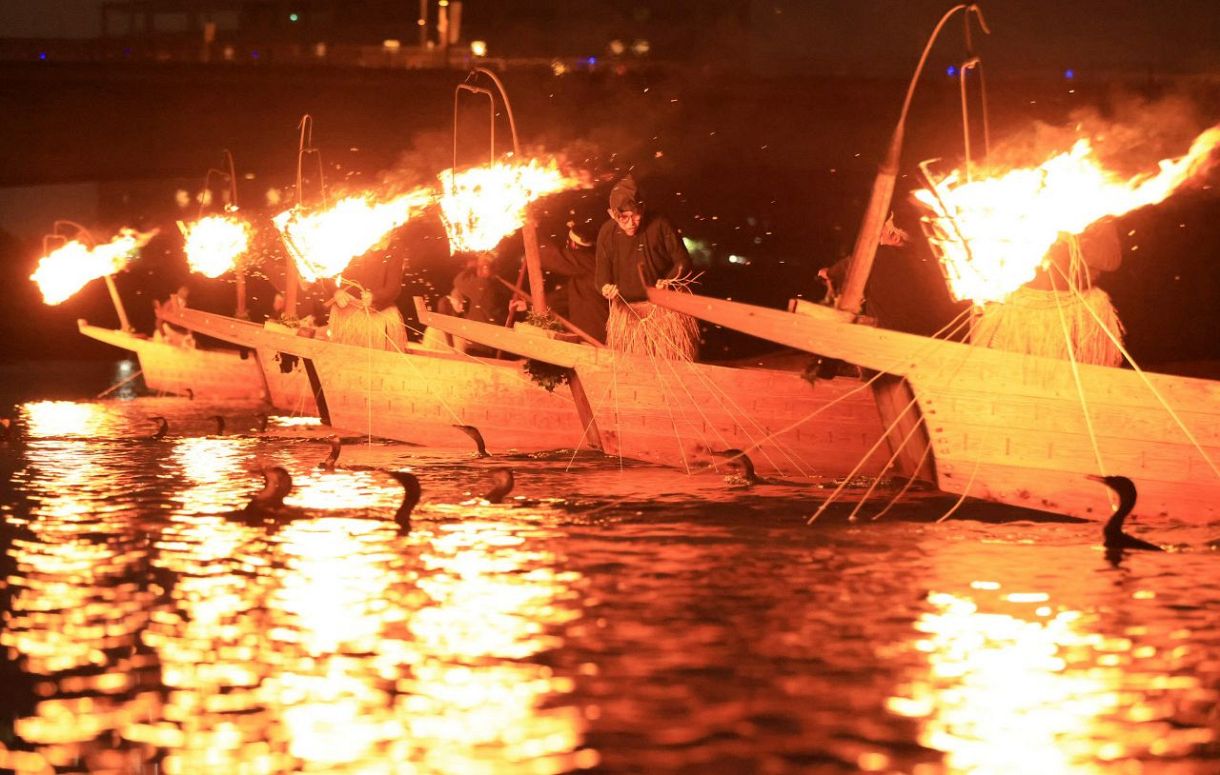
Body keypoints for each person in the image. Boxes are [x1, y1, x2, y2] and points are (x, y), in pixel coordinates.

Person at [969, 217, 1125, 366]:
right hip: (1013, 307)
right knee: (996, 375)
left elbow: (1111, 259)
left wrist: (1075, 241)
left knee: (1075, 384)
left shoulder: (1098, 203)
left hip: (1074, 312)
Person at [594, 174, 699, 360]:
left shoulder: (660, 224)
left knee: (671, 368)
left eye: (635, 216)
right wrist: (605, 288)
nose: (631, 223)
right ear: (611, 214)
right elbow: (601, 276)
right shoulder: (607, 232)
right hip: (627, 316)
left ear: (642, 208)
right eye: (623, 218)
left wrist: (670, 281)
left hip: (664, 315)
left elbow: (683, 261)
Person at [535, 220, 608, 343]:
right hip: (587, 338)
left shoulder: (588, 262)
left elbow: (549, 255)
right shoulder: (585, 272)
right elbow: (563, 297)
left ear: (572, 244)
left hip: (595, 338)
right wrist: (531, 304)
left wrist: (534, 232)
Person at [326, 249, 408, 351]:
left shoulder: (394, 250)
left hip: (377, 320)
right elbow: (324, 271)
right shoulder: (347, 242)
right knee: (341, 357)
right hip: (345, 317)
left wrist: (374, 297)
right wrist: (336, 291)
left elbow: (394, 288)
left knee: (374, 361)